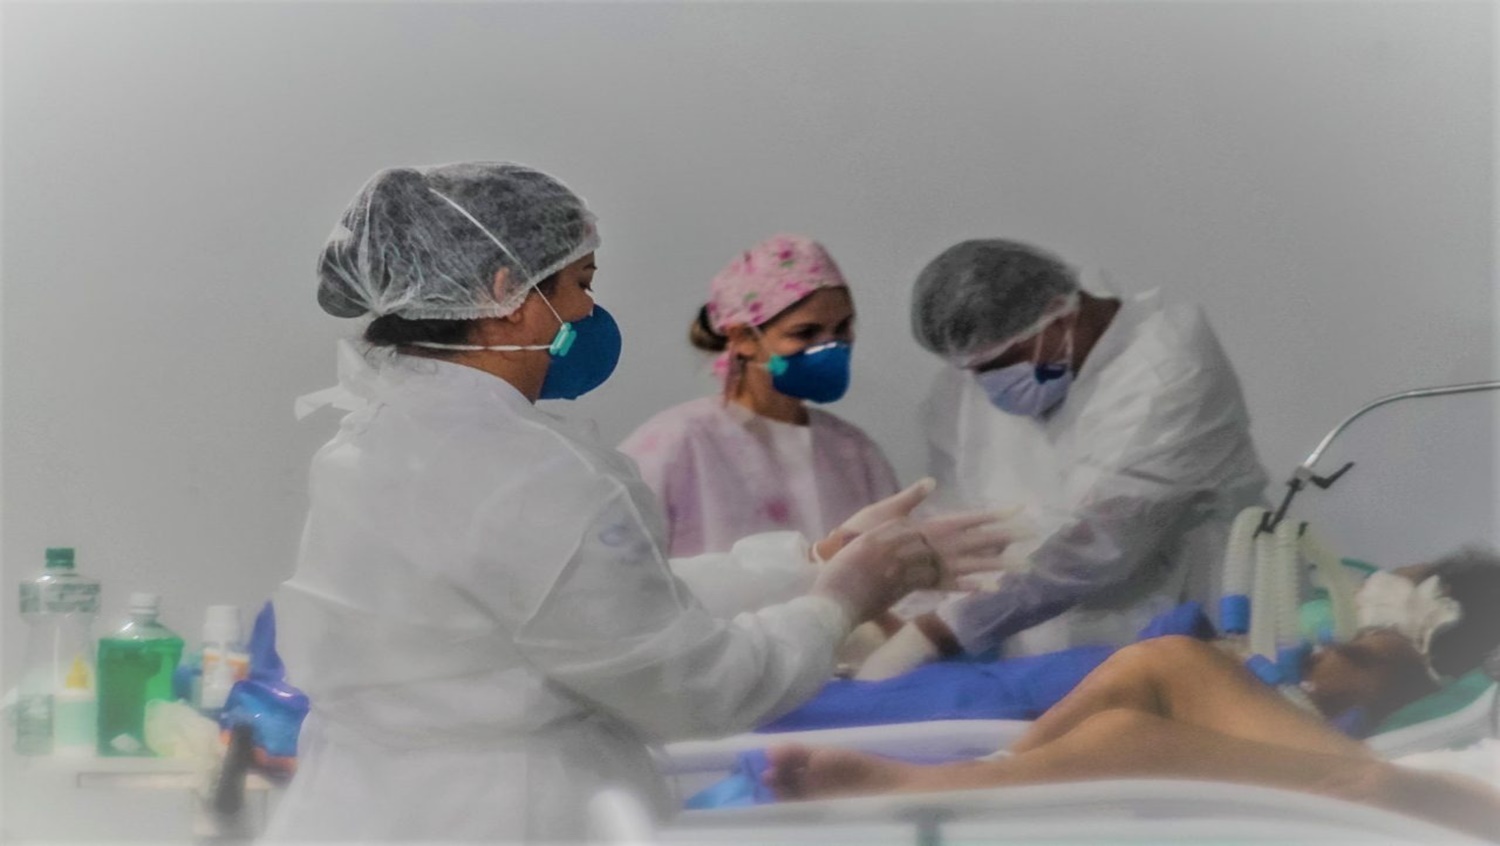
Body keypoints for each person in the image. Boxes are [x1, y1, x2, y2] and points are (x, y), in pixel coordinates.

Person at [262, 162, 998, 842]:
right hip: (502, 816)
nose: (589, 308)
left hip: (359, 808)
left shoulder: (376, 442)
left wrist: (806, 564)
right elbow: (695, 686)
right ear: (503, 294)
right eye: (580, 282)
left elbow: (590, 608)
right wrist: (839, 603)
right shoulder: (529, 474)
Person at [766, 550, 1500, 842]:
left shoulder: (1435, 675)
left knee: (1127, 739)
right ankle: (979, 776)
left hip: (1440, 805)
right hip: (1447, 791)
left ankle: (927, 795)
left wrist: (1432, 796)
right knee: (1166, 661)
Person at [858, 239, 1270, 678]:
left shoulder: (1168, 369)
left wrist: (938, 631)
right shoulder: (967, 387)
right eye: (974, 370)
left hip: (1191, 637)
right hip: (1038, 661)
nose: (989, 384)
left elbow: (1099, 542)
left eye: (1003, 362)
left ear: (1059, 312)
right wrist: (897, 616)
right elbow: (953, 528)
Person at [620, 234, 900, 558]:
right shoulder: (677, 444)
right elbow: (620, 570)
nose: (832, 345)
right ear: (743, 338)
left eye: (842, 328)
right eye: (805, 332)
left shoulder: (854, 452)